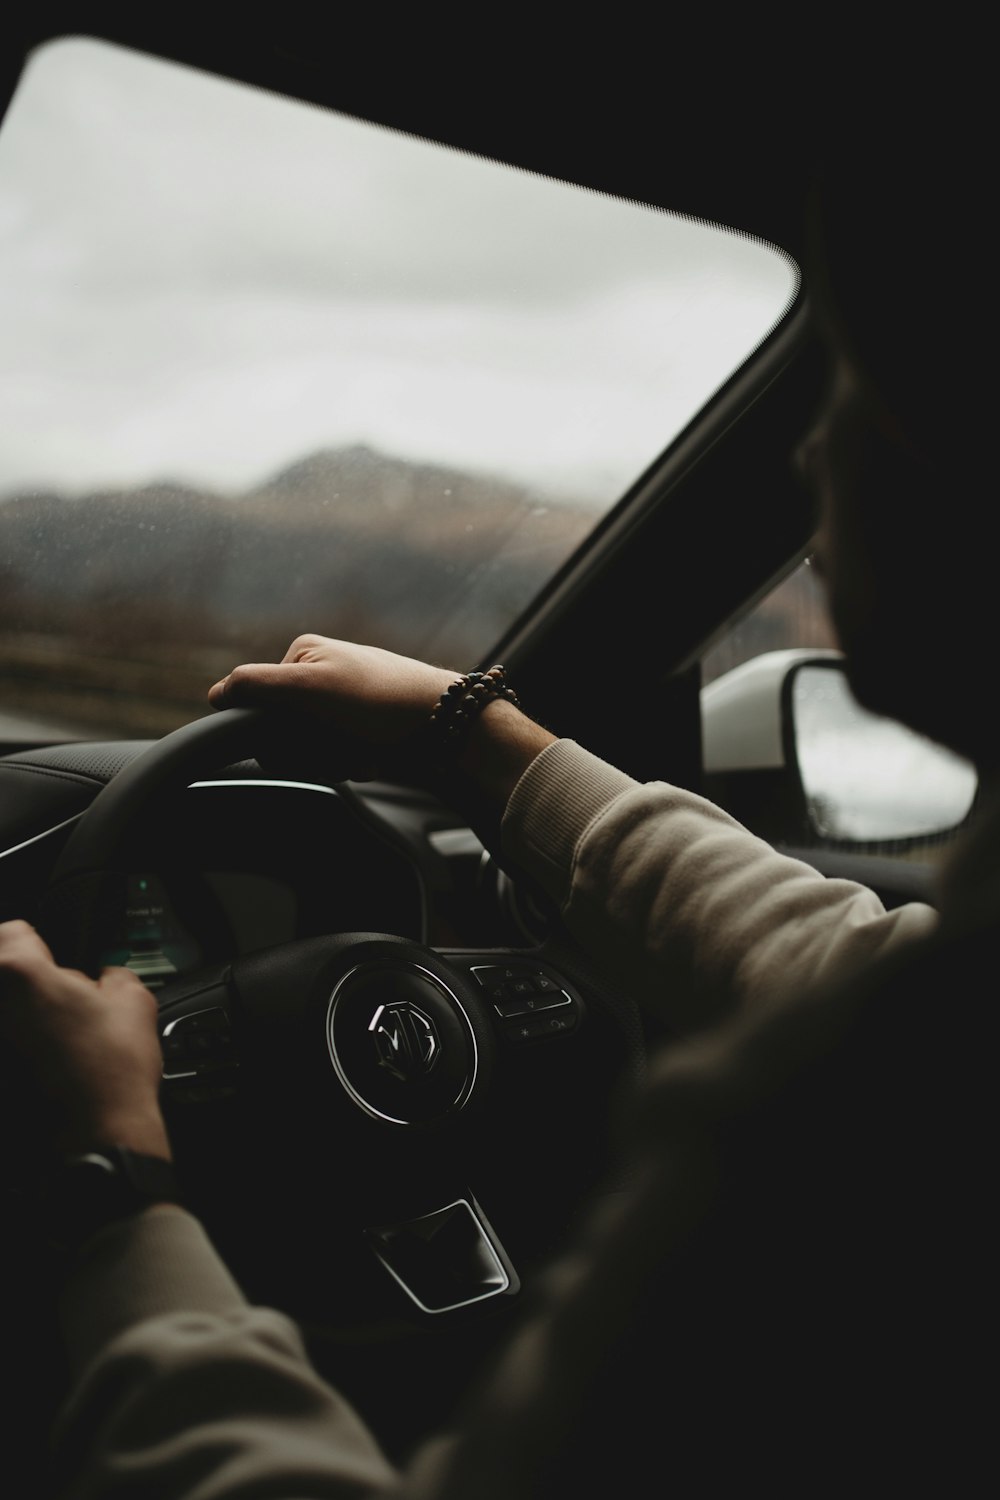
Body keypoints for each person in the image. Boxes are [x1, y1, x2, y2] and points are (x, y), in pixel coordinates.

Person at [1, 99, 994, 1496]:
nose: (808, 458)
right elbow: (834, 958)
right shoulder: (927, 1038)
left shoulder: (835, 1124)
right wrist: (479, 736)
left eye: (854, 385)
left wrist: (113, 1190)